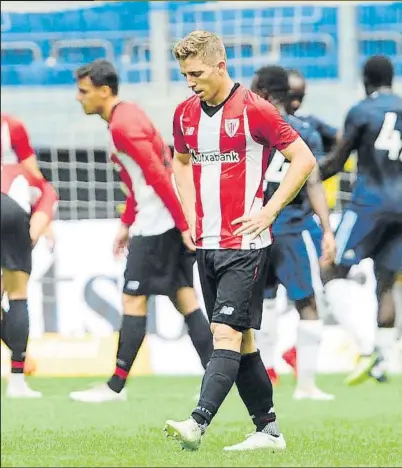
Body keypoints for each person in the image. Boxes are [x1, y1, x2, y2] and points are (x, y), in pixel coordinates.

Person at [164, 30, 316, 452]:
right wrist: (191, 212)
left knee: (225, 333)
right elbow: (178, 161)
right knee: (243, 339)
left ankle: (197, 423)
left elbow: (303, 158)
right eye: (184, 75)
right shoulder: (183, 114)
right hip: (207, 243)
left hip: (245, 245)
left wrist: (269, 211)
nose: (190, 82)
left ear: (220, 65)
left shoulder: (255, 109)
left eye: (196, 73)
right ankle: (268, 430)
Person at [69, 59, 213, 403]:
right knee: (184, 297)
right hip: (156, 218)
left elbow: (159, 176)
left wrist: (182, 226)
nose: (78, 98)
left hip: (160, 223)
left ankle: (115, 386)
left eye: (83, 91)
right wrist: (126, 222)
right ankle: (218, 377)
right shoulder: (127, 115)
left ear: (104, 91)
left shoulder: (123, 125)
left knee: (134, 298)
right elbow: (142, 176)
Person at [250, 65, 336, 400]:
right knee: (307, 304)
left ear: (265, 94)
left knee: (265, 303)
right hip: (293, 229)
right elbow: (313, 182)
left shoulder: (252, 130)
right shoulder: (304, 131)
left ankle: (268, 372)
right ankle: (307, 385)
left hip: (256, 229)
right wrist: (327, 229)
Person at [319, 55, 402, 385]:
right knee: (386, 282)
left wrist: (306, 177)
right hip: (400, 207)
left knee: (330, 267)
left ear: (365, 80)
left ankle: (368, 349)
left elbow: (337, 161)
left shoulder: (361, 110)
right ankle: (381, 365)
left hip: (369, 203)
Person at [1, 113, 55, 378]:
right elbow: (46, 190)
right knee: (17, 293)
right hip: (18, 212)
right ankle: (19, 373)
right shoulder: (12, 126)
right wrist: (38, 228)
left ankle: (19, 356)